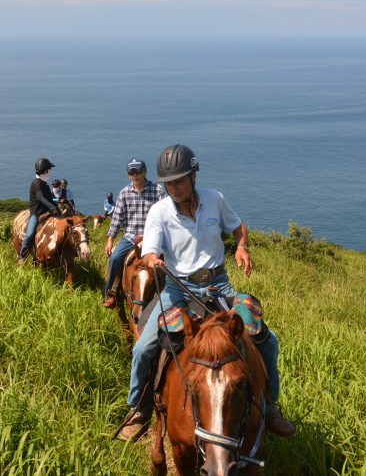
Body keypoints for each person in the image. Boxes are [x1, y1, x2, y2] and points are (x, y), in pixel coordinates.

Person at [118, 144, 296, 441]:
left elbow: (238, 226)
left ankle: (271, 406)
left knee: (267, 339)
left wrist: (242, 246)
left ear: (193, 177)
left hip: (219, 285)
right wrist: (153, 259)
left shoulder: (215, 200)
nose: (174, 188)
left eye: (179, 181)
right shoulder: (158, 212)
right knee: (144, 347)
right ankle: (139, 408)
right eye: (169, 183)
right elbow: (148, 251)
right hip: (178, 289)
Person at [103, 158, 165, 309]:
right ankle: (111, 292)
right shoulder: (124, 193)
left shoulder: (158, 190)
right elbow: (117, 218)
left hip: (153, 237)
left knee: (170, 261)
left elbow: (167, 213)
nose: (135, 175)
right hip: (131, 236)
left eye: (138, 171)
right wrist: (110, 239)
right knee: (115, 258)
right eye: (131, 172)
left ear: (145, 172)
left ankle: (173, 293)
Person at [19, 157, 62, 265]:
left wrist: (58, 207)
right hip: (37, 213)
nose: (50, 172)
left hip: (47, 212)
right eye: (49, 170)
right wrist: (52, 208)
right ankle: (22, 256)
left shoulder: (46, 185)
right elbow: (41, 198)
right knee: (30, 233)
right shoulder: (36, 183)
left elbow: (50, 200)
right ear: (46, 171)